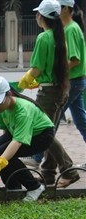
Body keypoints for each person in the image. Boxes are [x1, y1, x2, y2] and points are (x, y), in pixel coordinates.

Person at [18, 0, 80, 187]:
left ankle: (69, 169)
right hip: (60, 90)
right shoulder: (59, 36)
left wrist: (23, 82)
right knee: (49, 130)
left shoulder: (44, 38)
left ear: (41, 17)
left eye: (38, 14)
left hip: (48, 94)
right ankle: (48, 174)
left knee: (44, 134)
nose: (37, 16)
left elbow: (36, 69)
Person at [0, 76, 55, 201]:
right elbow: (6, 131)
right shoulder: (1, 108)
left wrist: (0, 162)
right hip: (16, 132)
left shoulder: (23, 111)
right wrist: (1, 157)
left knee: (2, 154)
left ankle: (35, 187)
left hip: (41, 136)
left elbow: (17, 141)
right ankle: (13, 187)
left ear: (9, 94)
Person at [58, 0, 86, 166]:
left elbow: (74, 60)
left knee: (51, 120)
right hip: (77, 80)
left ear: (67, 9)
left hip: (73, 81)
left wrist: (57, 72)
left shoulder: (71, 29)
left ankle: (38, 157)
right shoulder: (70, 28)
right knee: (81, 121)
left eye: (59, 8)